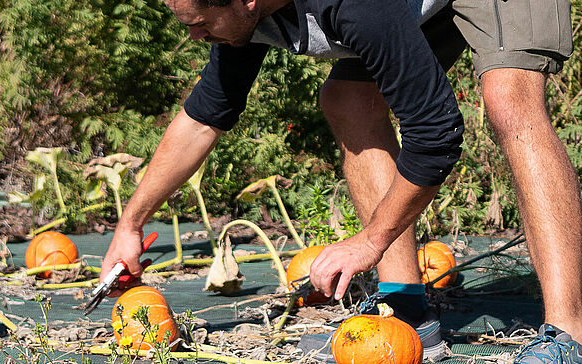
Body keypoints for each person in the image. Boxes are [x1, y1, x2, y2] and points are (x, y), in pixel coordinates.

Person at [99, 0, 582, 362]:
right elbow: (206, 114)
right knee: (348, 99)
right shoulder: (241, 19)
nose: (194, 35)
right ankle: (407, 311)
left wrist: (370, 241)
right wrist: (131, 224)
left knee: (508, 100)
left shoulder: (352, 4)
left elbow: (435, 135)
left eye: (198, 23)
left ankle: (568, 333)